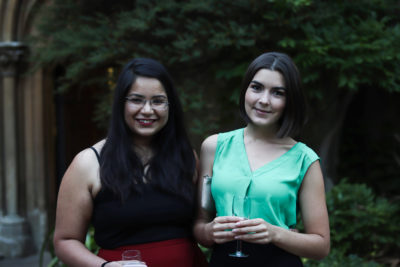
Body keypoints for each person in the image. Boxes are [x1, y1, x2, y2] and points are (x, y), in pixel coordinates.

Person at [53, 58, 208, 267]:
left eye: (158, 101)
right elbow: (65, 241)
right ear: (120, 103)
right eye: (136, 100)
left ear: (170, 106)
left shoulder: (187, 157)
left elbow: (200, 225)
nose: (147, 110)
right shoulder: (88, 163)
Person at [194, 52, 330, 266]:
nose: (264, 100)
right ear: (245, 91)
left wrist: (275, 233)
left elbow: (321, 246)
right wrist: (209, 232)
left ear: (289, 101)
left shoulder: (305, 160)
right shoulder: (213, 147)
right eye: (256, 88)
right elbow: (200, 225)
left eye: (277, 93)